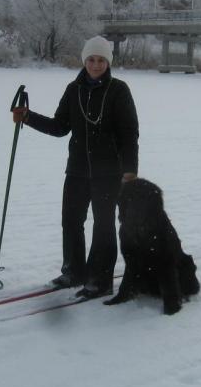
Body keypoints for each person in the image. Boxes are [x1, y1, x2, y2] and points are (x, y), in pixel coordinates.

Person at [12, 35, 139, 299]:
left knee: (103, 225)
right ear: (84, 61)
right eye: (91, 59)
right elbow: (60, 127)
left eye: (101, 60)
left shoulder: (119, 90)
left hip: (109, 173)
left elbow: (130, 133)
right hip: (77, 170)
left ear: (108, 62)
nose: (95, 65)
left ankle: (100, 279)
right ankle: (74, 271)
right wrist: (28, 116)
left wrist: (130, 171)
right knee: (71, 221)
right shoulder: (74, 89)